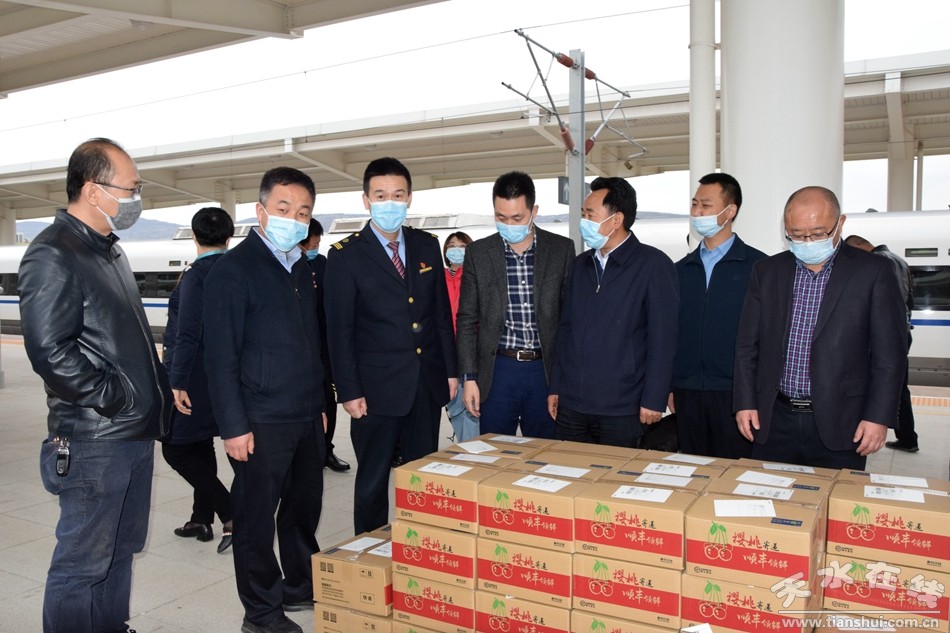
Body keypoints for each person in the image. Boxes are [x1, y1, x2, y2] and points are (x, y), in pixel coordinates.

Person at [17, 137, 172, 633]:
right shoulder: (53, 253)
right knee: (82, 564)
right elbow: (50, 351)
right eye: (130, 188)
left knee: (120, 551)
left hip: (129, 433)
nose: (135, 199)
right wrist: (115, 398)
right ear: (92, 189)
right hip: (94, 439)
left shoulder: (108, 251)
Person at [203, 167, 326, 633]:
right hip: (259, 419)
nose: (293, 219)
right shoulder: (233, 270)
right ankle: (261, 613)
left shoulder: (302, 268)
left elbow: (311, 344)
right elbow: (221, 357)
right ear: (260, 211)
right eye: (283, 208)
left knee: (302, 509)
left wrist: (319, 403)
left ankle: (299, 585)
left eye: (303, 212)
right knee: (256, 520)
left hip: (304, 414)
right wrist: (233, 426)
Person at [324, 157, 457, 534]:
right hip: (374, 391)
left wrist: (449, 371)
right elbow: (339, 332)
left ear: (409, 198)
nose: (390, 202)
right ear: (366, 200)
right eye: (381, 195)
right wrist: (349, 391)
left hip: (424, 384)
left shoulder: (427, 245)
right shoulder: (345, 255)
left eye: (398, 195)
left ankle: (422, 543)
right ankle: (369, 547)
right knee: (372, 479)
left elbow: (439, 316)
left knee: (422, 476)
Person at [734, 186, 907, 470]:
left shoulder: (874, 272)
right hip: (774, 418)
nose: (807, 242)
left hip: (844, 420)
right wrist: (745, 402)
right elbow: (747, 346)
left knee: (835, 497)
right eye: (796, 235)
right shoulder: (767, 271)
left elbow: (889, 355)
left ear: (840, 223)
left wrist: (878, 417)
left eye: (817, 234)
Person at [547, 177, 678, 447]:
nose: (584, 221)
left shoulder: (653, 265)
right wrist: (557, 386)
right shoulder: (580, 266)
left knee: (617, 473)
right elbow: (566, 330)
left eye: (590, 214)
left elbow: (664, 339)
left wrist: (654, 398)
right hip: (572, 406)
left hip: (623, 408)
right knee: (568, 470)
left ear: (616, 220)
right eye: (583, 214)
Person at [456, 171, 575, 439]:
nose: (509, 224)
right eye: (501, 217)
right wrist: (469, 377)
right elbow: (467, 320)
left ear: (534, 211)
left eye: (517, 218)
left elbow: (569, 321)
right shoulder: (478, 253)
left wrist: (563, 380)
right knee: (495, 448)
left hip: (544, 371)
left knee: (545, 450)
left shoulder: (561, 250)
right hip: (498, 369)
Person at [669, 173, 767, 458]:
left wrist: (755, 393)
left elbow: (766, 336)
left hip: (736, 394)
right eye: (694, 204)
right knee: (694, 470)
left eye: (706, 205)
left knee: (736, 472)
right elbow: (671, 333)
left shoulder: (759, 268)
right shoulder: (680, 270)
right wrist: (670, 385)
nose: (697, 212)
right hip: (687, 391)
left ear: (730, 210)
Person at [162, 207, 235, 554]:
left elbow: (186, 334)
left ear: (194, 236)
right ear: (229, 237)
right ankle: (200, 518)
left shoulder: (197, 275)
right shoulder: (237, 269)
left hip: (193, 376)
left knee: (175, 448)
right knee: (201, 443)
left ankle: (231, 512)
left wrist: (176, 381)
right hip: (224, 374)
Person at [845, 234, 918, 452]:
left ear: (860, 246)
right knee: (899, 386)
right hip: (900, 331)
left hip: (884, 334)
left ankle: (901, 435)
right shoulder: (898, 259)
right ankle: (907, 436)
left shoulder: (880, 262)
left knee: (887, 383)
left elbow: (884, 302)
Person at [299, 219, 351, 472]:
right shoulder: (289, 266)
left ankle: (325, 450)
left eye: (317, 244)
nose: (314, 249)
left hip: (324, 345)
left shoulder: (323, 263)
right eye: (310, 245)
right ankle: (307, 453)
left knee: (328, 400)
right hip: (300, 348)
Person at [442, 231, 479, 442]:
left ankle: (474, 448)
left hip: (472, 350)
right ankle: (464, 445)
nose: (457, 250)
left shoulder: (477, 276)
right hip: (447, 352)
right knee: (454, 403)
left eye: (463, 246)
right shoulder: (437, 277)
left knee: (473, 405)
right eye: (452, 246)